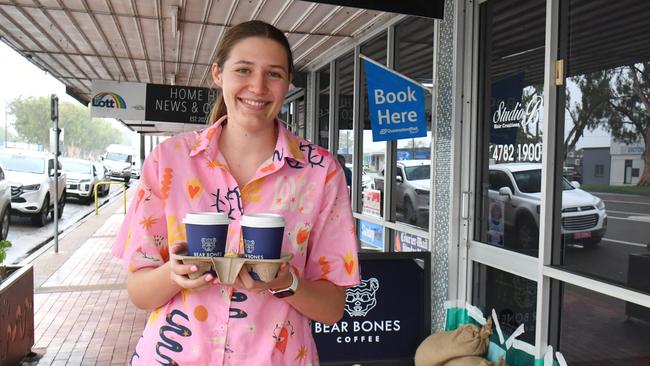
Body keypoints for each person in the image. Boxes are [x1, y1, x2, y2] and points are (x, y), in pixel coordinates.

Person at [111, 20, 360, 365]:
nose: (257, 87)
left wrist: (284, 281)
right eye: (243, 69)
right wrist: (174, 274)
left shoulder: (321, 172)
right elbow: (138, 292)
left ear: (288, 83)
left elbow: (333, 309)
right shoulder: (169, 161)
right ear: (218, 74)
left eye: (274, 74)